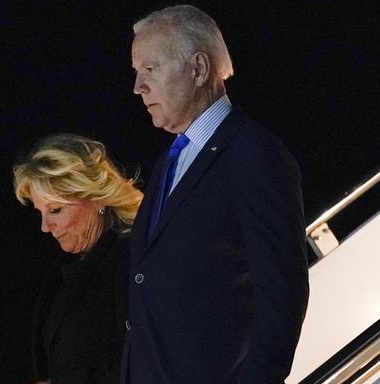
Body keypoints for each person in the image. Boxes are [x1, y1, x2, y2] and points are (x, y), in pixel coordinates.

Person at [124, 5, 309, 383]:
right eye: (136, 72)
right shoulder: (169, 161)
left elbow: (283, 294)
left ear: (198, 68)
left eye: (150, 69)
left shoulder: (254, 155)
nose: (138, 87)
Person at [14, 134, 144, 384]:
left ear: (95, 198)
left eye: (55, 210)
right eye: (40, 212)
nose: (45, 226)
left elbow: (140, 365)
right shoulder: (65, 268)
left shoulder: (131, 262)